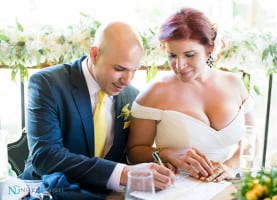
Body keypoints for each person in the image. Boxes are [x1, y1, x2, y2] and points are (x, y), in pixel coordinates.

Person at [20, 21, 175, 198]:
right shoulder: (48, 84)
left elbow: (131, 153)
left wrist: (160, 165)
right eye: (119, 69)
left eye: (134, 71)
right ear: (94, 55)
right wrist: (124, 173)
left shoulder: (131, 96)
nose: (127, 80)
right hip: (49, 191)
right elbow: (46, 157)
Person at [127, 8, 255, 182]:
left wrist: (230, 166)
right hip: (176, 190)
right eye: (172, 55)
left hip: (224, 187)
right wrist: (165, 154)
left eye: (189, 55)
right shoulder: (154, 93)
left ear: (209, 48)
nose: (179, 65)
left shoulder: (234, 84)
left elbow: (251, 138)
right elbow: (134, 153)